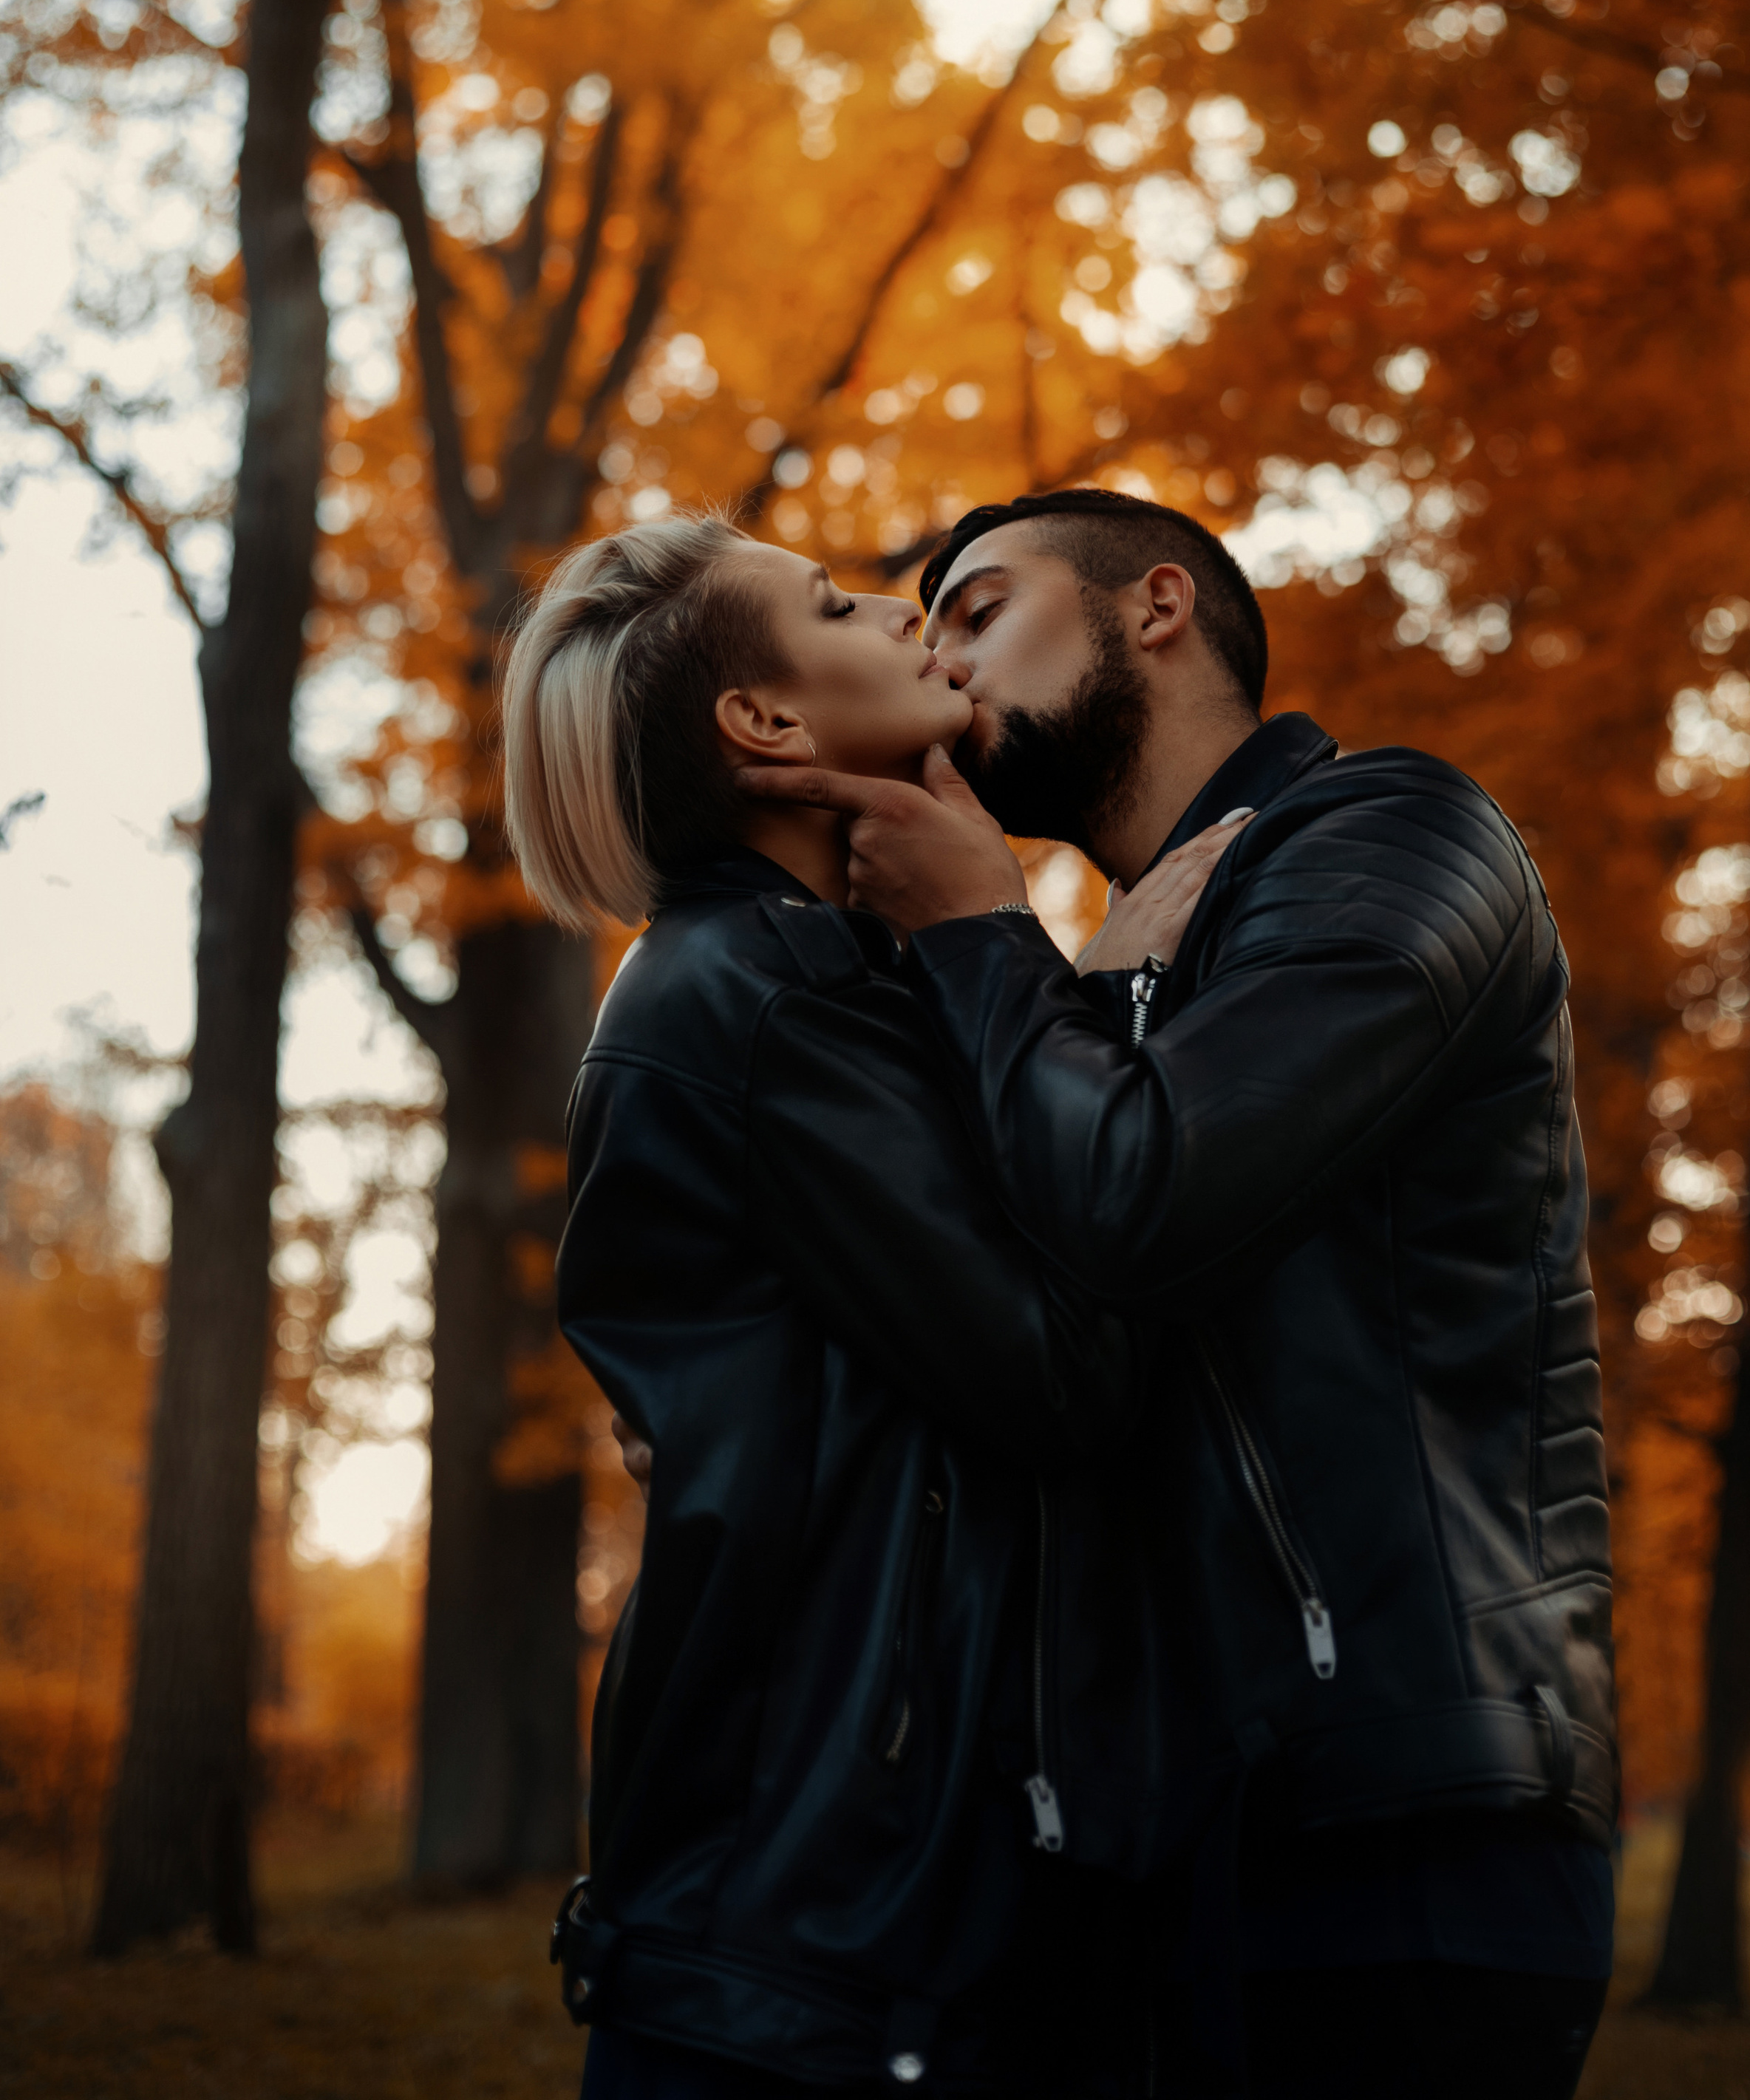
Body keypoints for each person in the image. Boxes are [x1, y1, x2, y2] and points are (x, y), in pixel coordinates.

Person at [738, 485, 1618, 2100]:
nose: (940, 661)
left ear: (1156, 607)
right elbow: (1030, 1341)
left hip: (1397, 1830)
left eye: (979, 610)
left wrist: (987, 931)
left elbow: (1145, 1195)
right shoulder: (1086, 993)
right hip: (1139, 1843)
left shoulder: (1398, 836)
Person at [501, 513, 1243, 2100]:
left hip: (844, 1909)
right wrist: (1107, 1011)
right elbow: (1067, 1369)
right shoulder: (759, 997)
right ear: (763, 721)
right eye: (836, 607)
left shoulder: (825, 979)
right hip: (807, 1930)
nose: (911, 626)